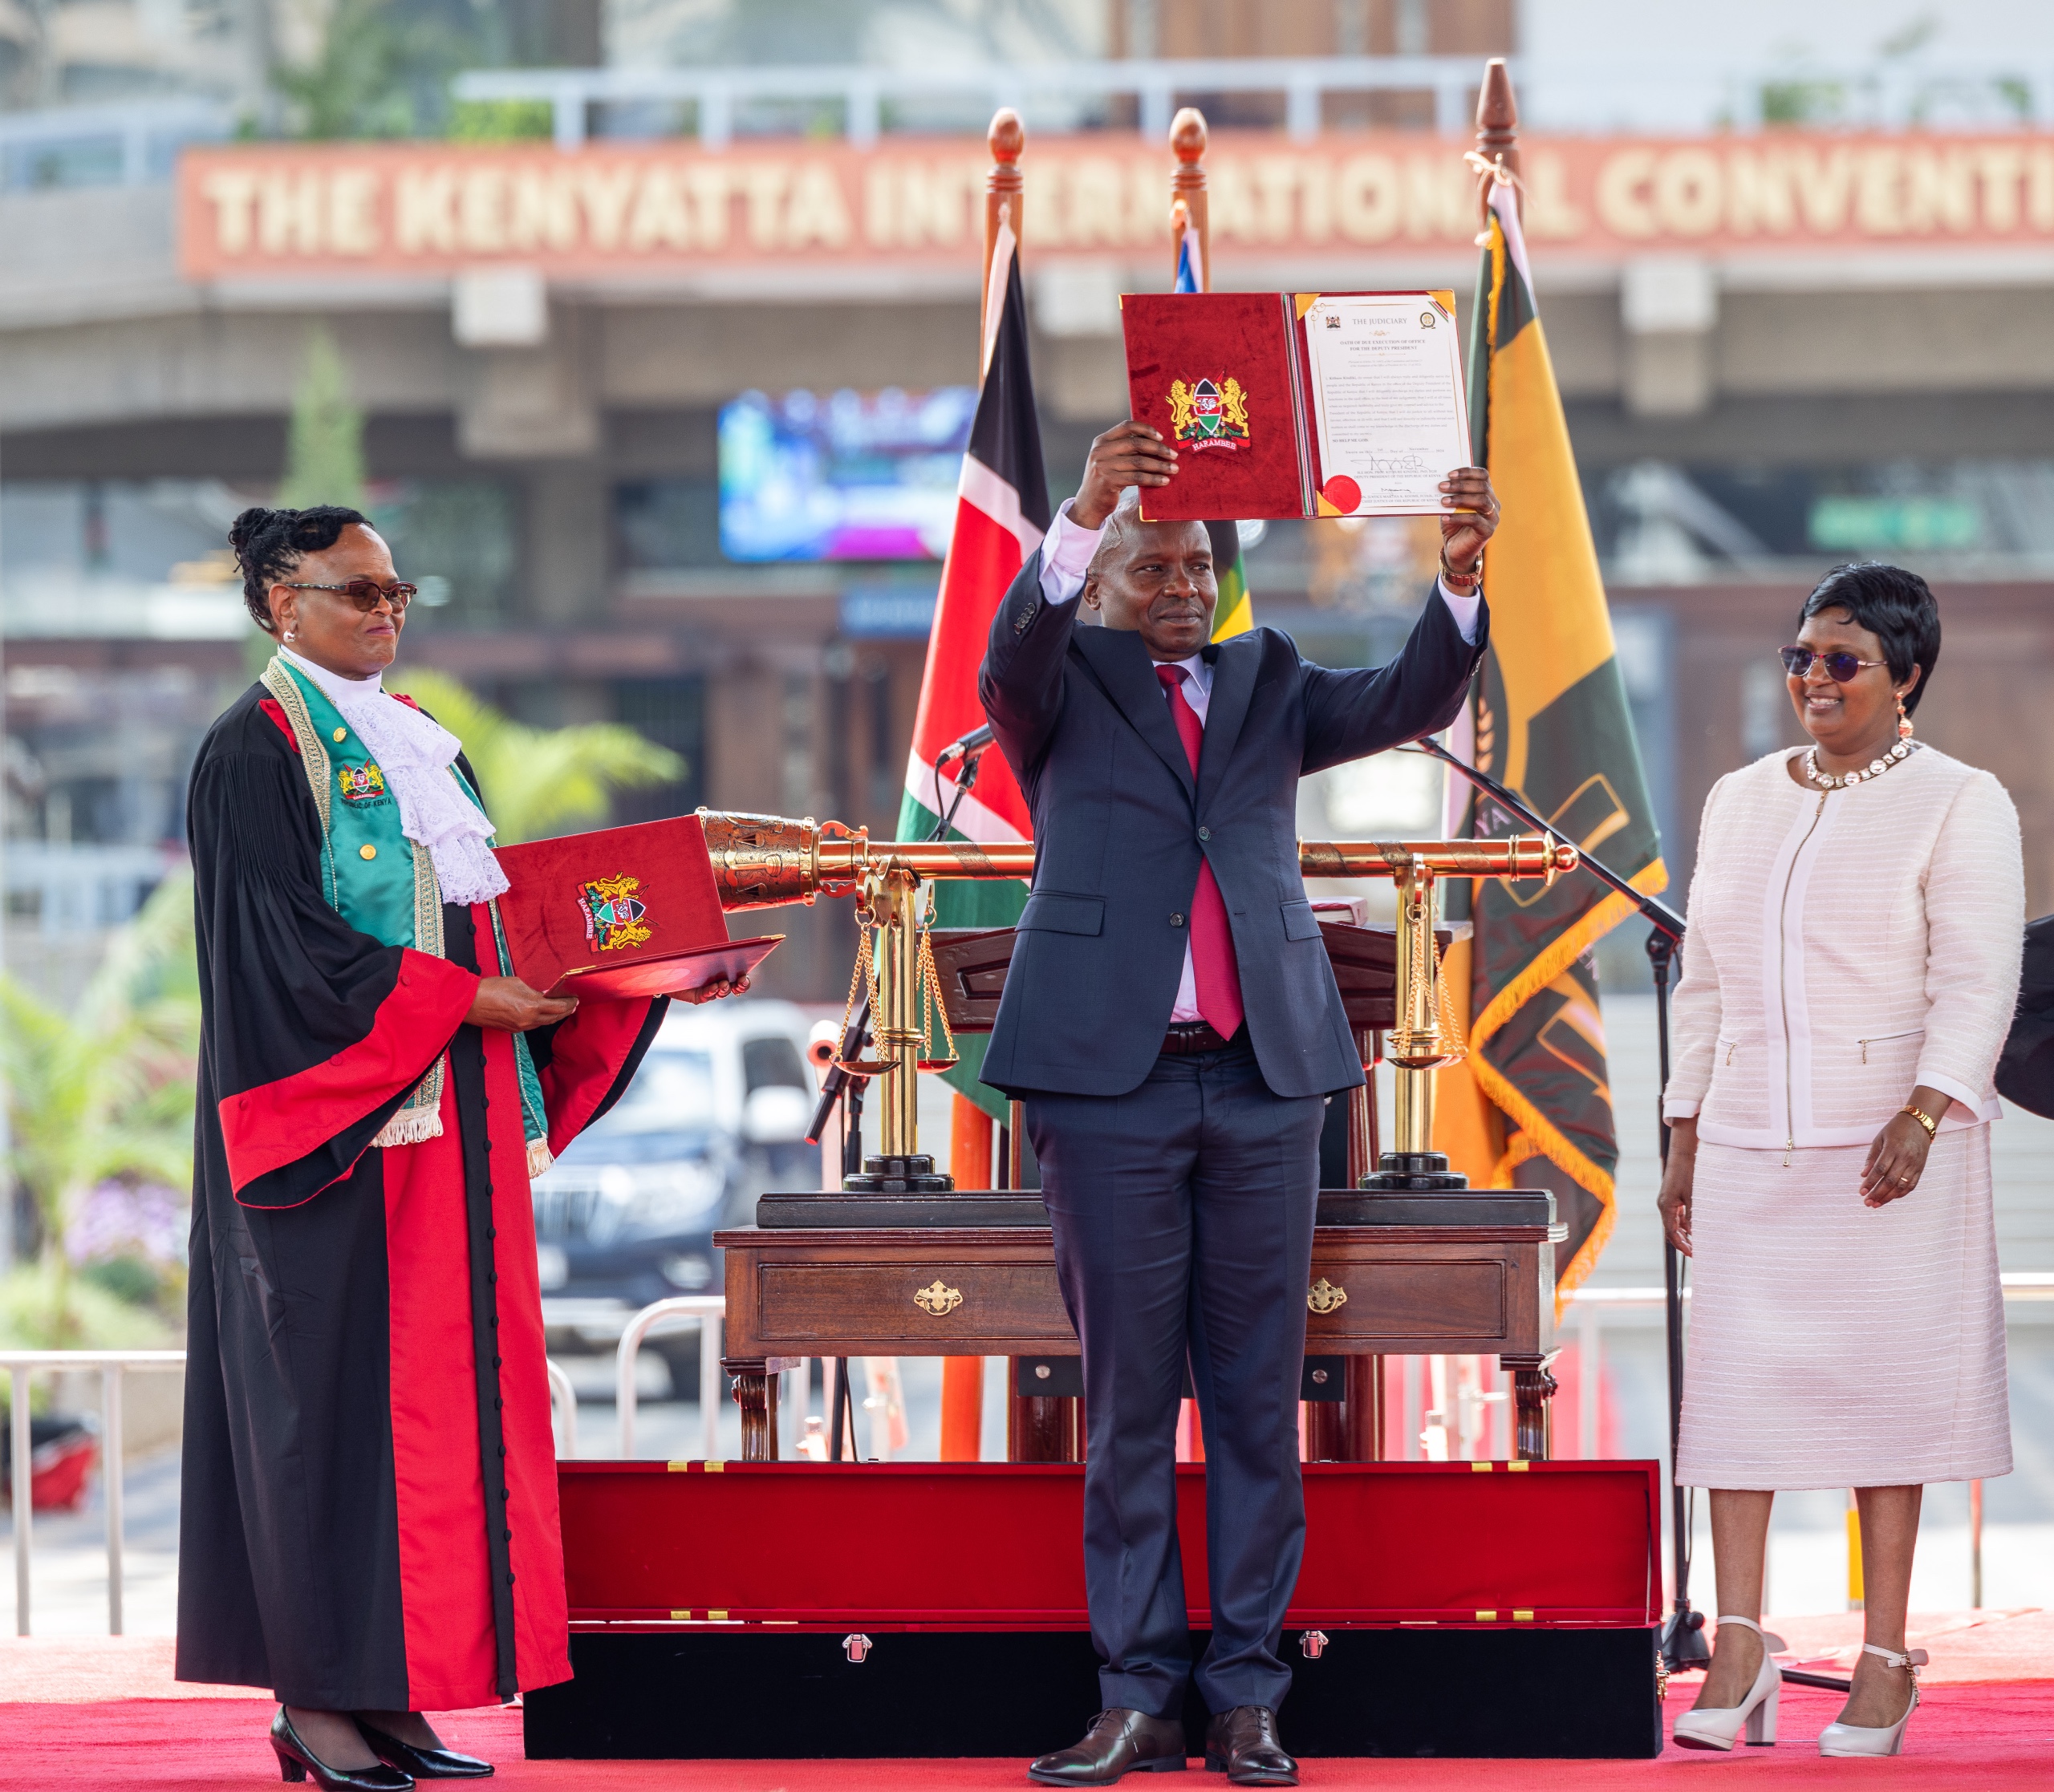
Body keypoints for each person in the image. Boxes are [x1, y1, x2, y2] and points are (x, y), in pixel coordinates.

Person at [177, 506, 741, 1789]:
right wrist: (455, 1002)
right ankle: (314, 1703)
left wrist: (638, 972)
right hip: (336, 1146)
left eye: (397, 591)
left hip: (450, 1142)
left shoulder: (424, 740)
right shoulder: (251, 750)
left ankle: (397, 1692)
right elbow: (273, 953)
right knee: (330, 1421)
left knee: (444, 1427)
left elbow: (507, 934)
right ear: (280, 600)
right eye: (357, 590)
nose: (385, 611)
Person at [979, 422, 1495, 1787]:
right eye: (1154, 567)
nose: (1183, 586)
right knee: (1131, 1405)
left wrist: (1454, 579)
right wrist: (1085, 510)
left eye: (1198, 564)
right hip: (1110, 1087)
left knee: (1262, 1404)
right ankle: (1137, 1691)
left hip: (1267, 1084)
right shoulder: (1060, 680)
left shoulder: (1266, 677)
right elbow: (1007, 651)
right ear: (1105, 579)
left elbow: (1409, 696)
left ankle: (1249, 1696)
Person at [1658, 562, 2021, 1759]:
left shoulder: (1960, 802)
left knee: (1887, 1404)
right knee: (1740, 1404)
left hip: (1892, 1149)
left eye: (1844, 660)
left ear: (1906, 675)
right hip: (1753, 1139)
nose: (1814, 677)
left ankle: (1883, 1653)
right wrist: (1684, 1130)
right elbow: (1704, 984)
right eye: (1801, 657)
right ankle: (1744, 1642)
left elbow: (1976, 981)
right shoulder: (1740, 797)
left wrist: (1926, 1108)